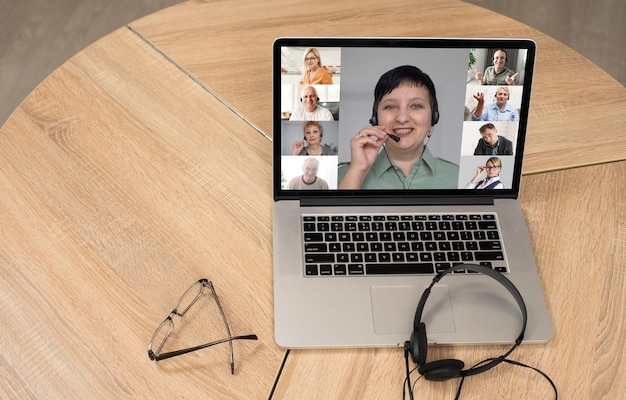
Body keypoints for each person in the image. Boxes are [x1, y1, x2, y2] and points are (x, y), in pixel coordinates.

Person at [338, 65, 458, 190]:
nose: (402, 118)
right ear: (375, 118)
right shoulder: (342, 175)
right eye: (390, 107)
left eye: (416, 106)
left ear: (433, 117)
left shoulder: (458, 176)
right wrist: (357, 171)